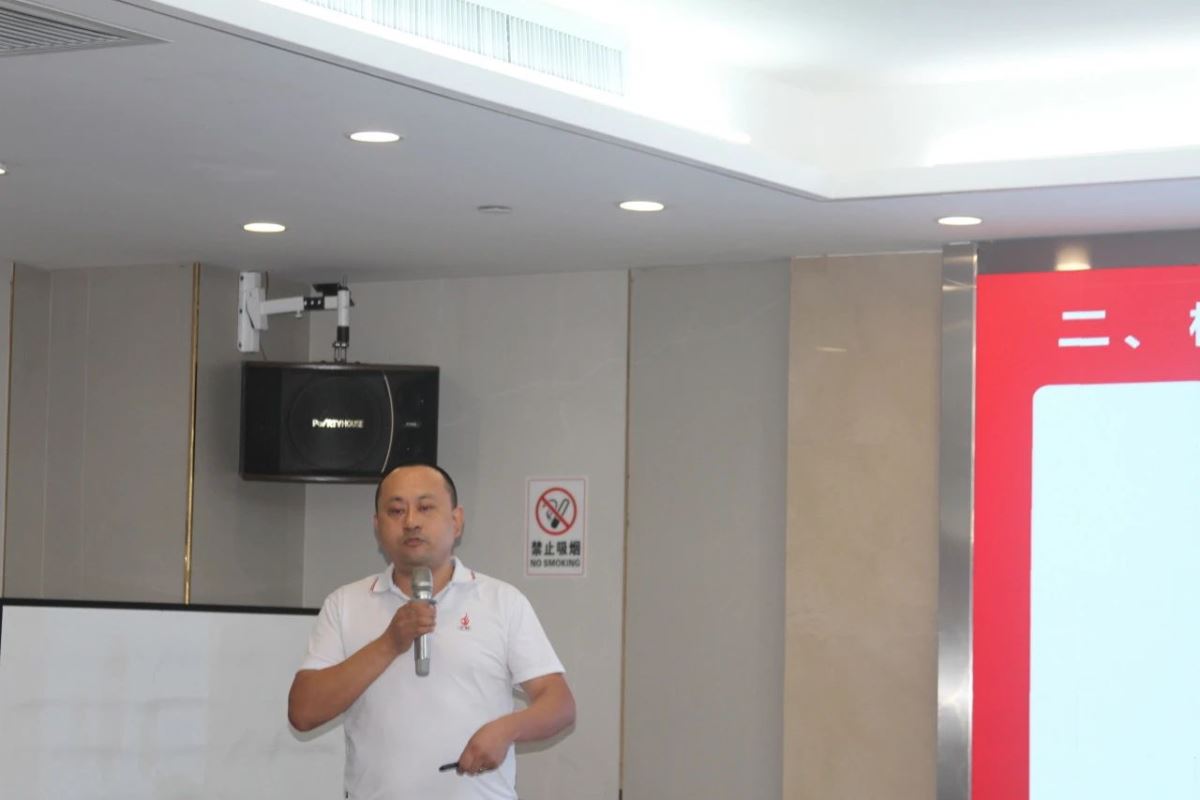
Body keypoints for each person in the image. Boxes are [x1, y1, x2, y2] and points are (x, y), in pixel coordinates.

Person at [288, 464, 575, 800]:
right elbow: (303, 712)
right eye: (396, 510)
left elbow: (559, 704)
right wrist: (389, 643)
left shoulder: (501, 601)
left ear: (456, 521)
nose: (411, 521)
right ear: (377, 525)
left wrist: (508, 729)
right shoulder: (345, 604)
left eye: (425, 507)